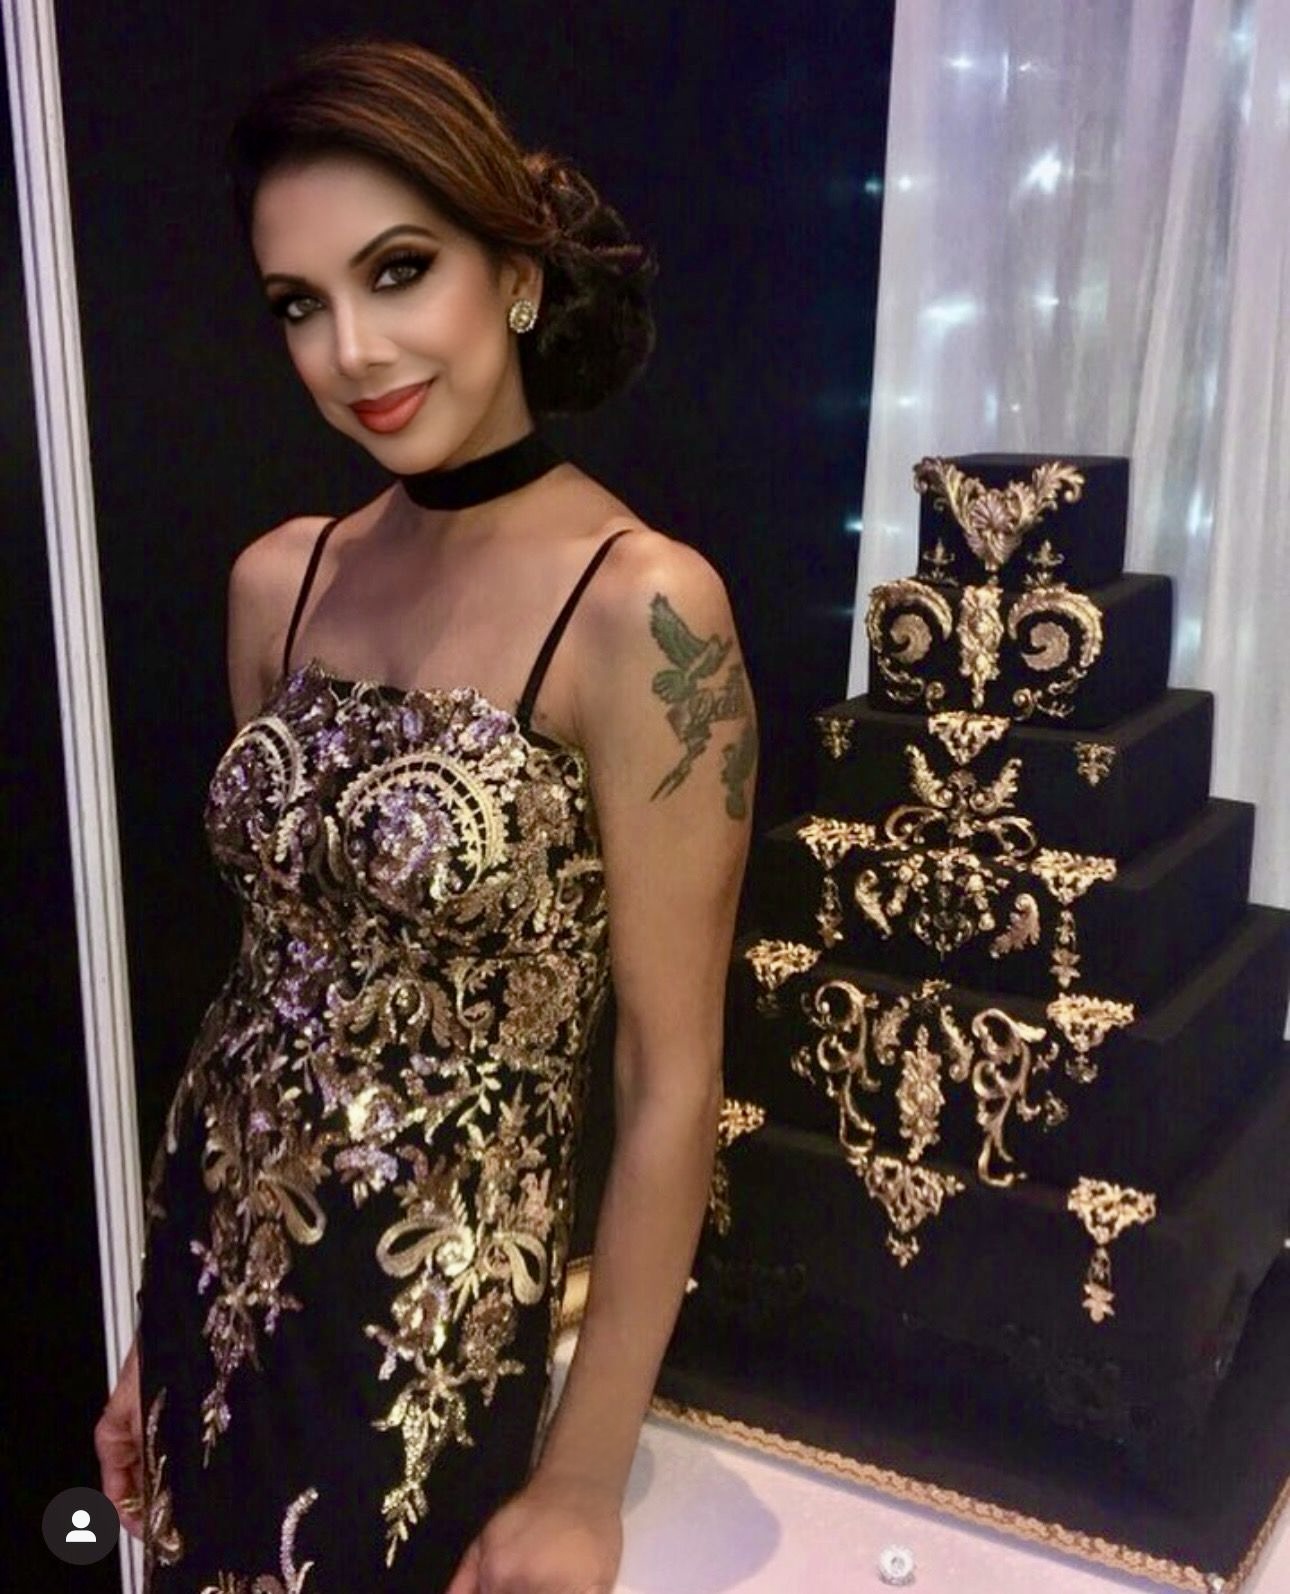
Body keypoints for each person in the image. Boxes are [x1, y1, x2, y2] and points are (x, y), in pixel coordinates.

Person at [93, 35, 756, 1594]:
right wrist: (148, 1338)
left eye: (398, 271)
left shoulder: (642, 609)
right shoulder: (282, 578)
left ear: (512, 274)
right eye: (298, 303)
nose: (352, 350)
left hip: (426, 1326)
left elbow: (670, 1076)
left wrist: (581, 1475)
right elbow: (264, 983)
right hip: (210, 1271)